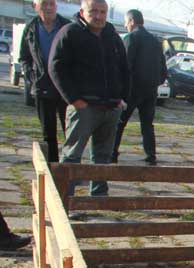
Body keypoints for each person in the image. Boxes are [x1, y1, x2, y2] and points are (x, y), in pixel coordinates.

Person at [49, 0, 129, 198]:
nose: (99, 16)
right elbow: (56, 67)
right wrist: (73, 99)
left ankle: (99, 197)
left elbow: (124, 69)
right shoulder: (70, 33)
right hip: (84, 106)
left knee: (103, 156)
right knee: (72, 155)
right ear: (83, 12)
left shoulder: (112, 35)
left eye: (103, 12)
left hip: (110, 106)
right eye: (94, 11)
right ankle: (65, 199)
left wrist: (121, 98)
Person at [111, 9, 167, 165]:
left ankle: (113, 153)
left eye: (125, 22)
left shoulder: (131, 38)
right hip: (150, 89)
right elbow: (163, 67)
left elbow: (125, 64)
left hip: (133, 89)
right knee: (147, 124)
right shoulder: (155, 40)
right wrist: (157, 82)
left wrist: (121, 87)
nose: (125, 25)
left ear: (131, 21)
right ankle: (151, 155)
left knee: (120, 122)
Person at [19, 0, 71, 163]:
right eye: (44, 4)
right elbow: (24, 58)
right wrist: (32, 78)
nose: (48, 8)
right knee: (48, 133)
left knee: (70, 131)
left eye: (51, 4)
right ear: (35, 7)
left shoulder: (67, 26)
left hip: (65, 88)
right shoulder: (31, 28)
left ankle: (71, 167)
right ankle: (54, 168)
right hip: (42, 87)